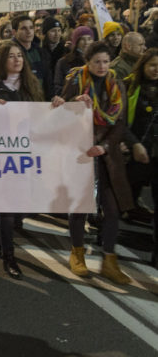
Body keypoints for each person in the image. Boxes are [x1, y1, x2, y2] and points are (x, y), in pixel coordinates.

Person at [0, 42, 65, 279]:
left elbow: (41, 114)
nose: (17, 60)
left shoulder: (32, 85)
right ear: (2, 61)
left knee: (27, 206)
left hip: (29, 153)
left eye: (20, 56)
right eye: (11, 56)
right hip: (5, 156)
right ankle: (9, 257)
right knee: (8, 208)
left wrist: (56, 105)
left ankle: (0, 233)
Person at [61, 41, 136, 285]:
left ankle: (109, 261)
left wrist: (103, 147)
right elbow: (59, 110)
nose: (102, 66)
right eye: (97, 62)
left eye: (105, 61)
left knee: (112, 209)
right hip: (80, 153)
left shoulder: (117, 84)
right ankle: (77, 253)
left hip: (106, 156)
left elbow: (120, 122)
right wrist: (73, 102)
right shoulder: (74, 79)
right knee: (80, 206)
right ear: (88, 62)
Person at [123, 48, 158, 267]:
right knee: (121, 197)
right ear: (143, 65)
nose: (156, 70)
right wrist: (132, 143)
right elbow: (120, 119)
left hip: (155, 155)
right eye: (152, 65)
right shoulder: (129, 86)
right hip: (134, 153)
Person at [11, 14, 53, 99]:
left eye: (31, 28)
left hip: (39, 102)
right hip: (17, 102)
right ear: (14, 32)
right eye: (24, 28)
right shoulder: (8, 53)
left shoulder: (41, 52)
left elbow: (47, 80)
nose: (29, 31)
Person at [54, 26, 94, 96]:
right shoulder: (64, 62)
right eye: (82, 39)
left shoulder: (96, 61)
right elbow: (58, 87)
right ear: (76, 42)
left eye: (89, 39)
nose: (86, 42)